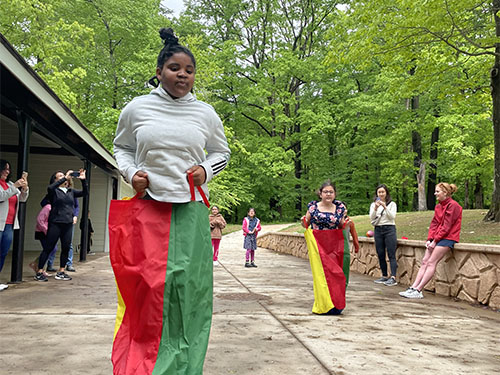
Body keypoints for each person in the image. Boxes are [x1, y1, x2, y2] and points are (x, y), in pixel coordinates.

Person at [112, 28, 230, 374]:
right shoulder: (137, 108)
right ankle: (144, 363)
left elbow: (222, 152)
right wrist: (131, 173)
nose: (183, 75)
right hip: (149, 206)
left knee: (189, 292)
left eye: (189, 70)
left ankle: (185, 366)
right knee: (147, 288)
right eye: (175, 68)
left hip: (190, 209)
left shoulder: (205, 113)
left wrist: (206, 171)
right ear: (160, 70)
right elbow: (122, 148)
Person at [400, 182, 462, 299]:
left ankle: (418, 290)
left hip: (448, 238)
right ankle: (413, 287)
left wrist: (435, 241)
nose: (435, 194)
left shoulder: (453, 206)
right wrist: (430, 239)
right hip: (437, 237)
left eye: (437, 191)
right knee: (424, 261)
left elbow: (447, 226)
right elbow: (434, 224)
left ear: (445, 193)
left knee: (431, 262)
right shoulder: (438, 206)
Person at [301, 180, 348, 315]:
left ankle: (336, 305)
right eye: (325, 192)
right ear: (320, 194)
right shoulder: (313, 207)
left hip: (334, 245)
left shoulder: (339, 208)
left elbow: (341, 225)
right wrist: (302, 221)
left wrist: (346, 223)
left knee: (337, 274)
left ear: (335, 194)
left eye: (331, 192)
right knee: (321, 276)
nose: (328, 194)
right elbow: (306, 224)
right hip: (318, 245)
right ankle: (323, 305)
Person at [34, 169, 87, 282]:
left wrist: (83, 180)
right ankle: (39, 272)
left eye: (64, 176)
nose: (64, 177)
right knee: (48, 247)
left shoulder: (70, 191)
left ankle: (61, 271)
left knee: (66, 248)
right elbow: (50, 188)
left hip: (67, 224)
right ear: (55, 180)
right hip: (55, 223)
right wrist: (65, 177)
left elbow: (85, 193)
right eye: (60, 176)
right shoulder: (54, 191)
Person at [0, 159, 29, 291]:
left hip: (10, 224)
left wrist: (24, 189)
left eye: (8, 169)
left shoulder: (10, 184)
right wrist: (15, 187)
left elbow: (22, 198)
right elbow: (2, 196)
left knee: (3, 253)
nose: (7, 171)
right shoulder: (8, 186)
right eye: (5, 168)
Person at [369, 184, 398, 286]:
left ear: (386, 193)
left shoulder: (392, 204)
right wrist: (376, 208)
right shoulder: (373, 205)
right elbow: (372, 218)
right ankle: (384, 276)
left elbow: (392, 217)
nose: (381, 194)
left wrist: (385, 207)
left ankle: (393, 277)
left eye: (383, 192)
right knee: (380, 253)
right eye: (379, 192)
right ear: (376, 194)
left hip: (389, 229)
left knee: (391, 253)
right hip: (378, 229)